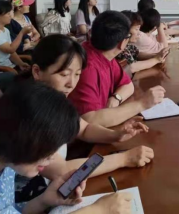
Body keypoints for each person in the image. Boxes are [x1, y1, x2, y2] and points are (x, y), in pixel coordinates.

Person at [0, 81, 133, 213]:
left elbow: (4, 210)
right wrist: (98, 211)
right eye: (49, 150)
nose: (51, 159)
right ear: (23, 137)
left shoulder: (3, 156)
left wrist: (43, 201)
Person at [24, 34, 153, 189]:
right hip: (35, 194)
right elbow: (60, 171)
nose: (71, 83)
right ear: (37, 72)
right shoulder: (32, 111)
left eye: (77, 74)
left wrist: (116, 135)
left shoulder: (55, 100)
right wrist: (124, 159)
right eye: (64, 74)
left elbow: (84, 129)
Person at [68, 11, 165, 128]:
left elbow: (128, 85)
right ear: (123, 43)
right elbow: (90, 120)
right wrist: (142, 104)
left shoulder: (104, 54)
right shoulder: (87, 67)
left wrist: (115, 98)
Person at [0, 0, 31, 71]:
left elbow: (10, 53)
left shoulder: (6, 30)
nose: (11, 16)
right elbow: (10, 49)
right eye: (8, 13)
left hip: (10, 65)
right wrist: (22, 33)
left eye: (12, 12)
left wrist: (20, 63)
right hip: (0, 69)